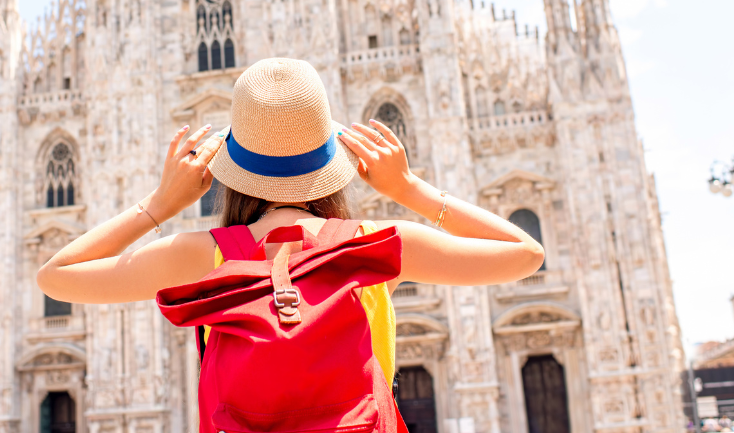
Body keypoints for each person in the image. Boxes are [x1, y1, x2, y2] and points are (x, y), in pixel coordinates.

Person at [37, 58, 543, 416]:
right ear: (330, 163)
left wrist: (161, 205)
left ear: (233, 170)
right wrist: (409, 188)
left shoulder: (202, 256)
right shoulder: (374, 244)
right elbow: (524, 254)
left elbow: (57, 276)